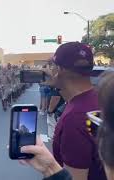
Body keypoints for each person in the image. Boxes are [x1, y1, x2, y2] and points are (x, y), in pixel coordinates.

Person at [23, 42, 107, 180]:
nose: (49, 70)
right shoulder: (100, 98)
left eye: (52, 66)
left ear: (59, 70)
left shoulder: (74, 119)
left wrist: (49, 171)